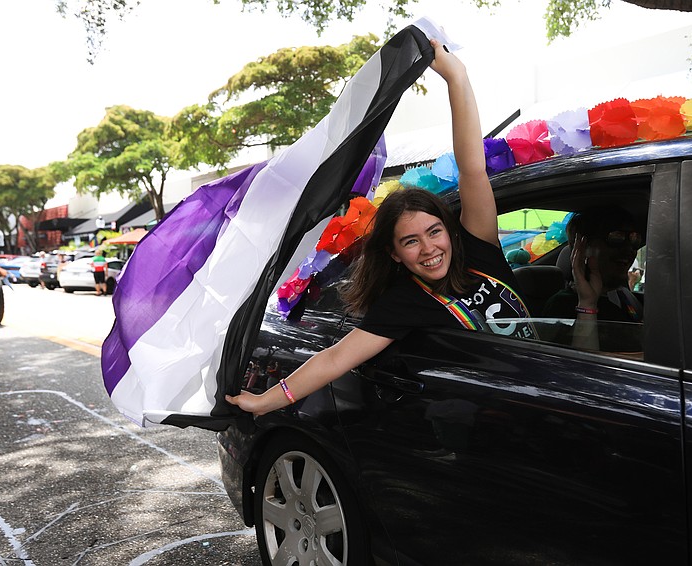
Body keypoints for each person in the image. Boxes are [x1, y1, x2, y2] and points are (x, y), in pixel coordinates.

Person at [226, 39, 534, 416]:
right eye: (410, 241)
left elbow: (472, 167)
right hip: (491, 413)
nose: (428, 248)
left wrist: (457, 77)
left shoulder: (480, 248)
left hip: (546, 389)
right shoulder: (404, 301)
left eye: (434, 232)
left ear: (450, 231)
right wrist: (264, 401)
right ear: (394, 253)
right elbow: (335, 359)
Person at [542, 206, 645, 352]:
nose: (629, 249)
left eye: (635, 239)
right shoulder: (562, 306)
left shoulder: (622, 295)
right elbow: (578, 367)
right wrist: (587, 305)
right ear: (583, 248)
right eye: (616, 238)